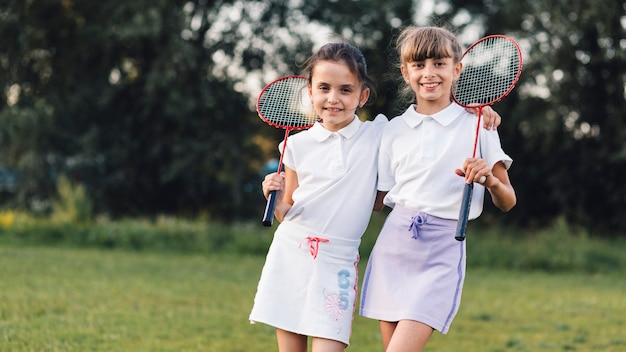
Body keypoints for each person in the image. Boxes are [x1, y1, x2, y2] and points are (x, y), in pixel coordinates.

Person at [359, 25, 517, 352]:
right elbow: (375, 201)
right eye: (418, 65)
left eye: (439, 63)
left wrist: (488, 180)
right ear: (405, 73)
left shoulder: (479, 124)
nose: (429, 73)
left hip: (442, 249)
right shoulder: (394, 130)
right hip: (395, 245)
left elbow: (508, 201)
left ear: (456, 69)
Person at [249, 42, 385, 352]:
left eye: (345, 90)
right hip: (291, 253)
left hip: (337, 260)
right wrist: (276, 196)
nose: (333, 98)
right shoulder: (296, 146)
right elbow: (287, 211)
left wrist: (482, 116)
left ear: (362, 96)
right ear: (310, 91)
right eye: (324, 87)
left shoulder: (376, 135)